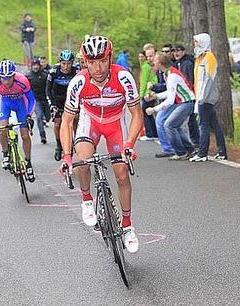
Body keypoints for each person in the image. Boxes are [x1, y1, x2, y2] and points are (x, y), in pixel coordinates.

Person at [59, 36, 142, 253]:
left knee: (122, 173)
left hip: (116, 123)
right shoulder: (78, 82)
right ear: (85, 61)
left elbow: (136, 114)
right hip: (91, 121)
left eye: (103, 61)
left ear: (110, 58)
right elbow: (67, 121)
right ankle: (87, 199)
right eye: (92, 62)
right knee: (82, 160)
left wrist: (129, 144)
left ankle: (127, 225)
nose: (98, 67)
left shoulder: (123, 77)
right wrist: (67, 157)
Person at [0, 59, 36, 182]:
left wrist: (29, 116)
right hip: (5, 104)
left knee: (25, 135)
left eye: (9, 77)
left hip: (20, 104)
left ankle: (28, 162)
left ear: (14, 75)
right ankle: (5, 154)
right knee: (3, 129)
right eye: (3, 78)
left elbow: (31, 100)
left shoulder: (22, 81)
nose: (6, 81)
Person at [146, 53, 195, 160]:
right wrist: (155, 96)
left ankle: (181, 152)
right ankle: (189, 149)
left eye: (155, 61)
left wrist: (154, 109)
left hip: (186, 102)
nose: (153, 63)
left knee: (169, 125)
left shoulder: (172, 76)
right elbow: (170, 92)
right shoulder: (168, 73)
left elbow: (170, 100)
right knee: (174, 125)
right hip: (182, 102)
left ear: (160, 63)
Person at [189, 33, 227, 162]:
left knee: (203, 125)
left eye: (196, 42)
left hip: (205, 97)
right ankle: (222, 151)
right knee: (214, 124)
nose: (194, 45)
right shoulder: (199, 58)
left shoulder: (209, 58)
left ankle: (202, 153)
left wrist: (202, 98)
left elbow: (209, 80)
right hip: (200, 96)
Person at [46, 50, 78, 160]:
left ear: (72, 63)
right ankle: (59, 145)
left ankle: (76, 141)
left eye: (69, 63)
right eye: (63, 63)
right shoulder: (53, 71)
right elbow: (48, 90)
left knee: (74, 120)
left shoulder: (76, 71)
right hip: (57, 99)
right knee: (57, 124)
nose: (66, 66)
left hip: (71, 99)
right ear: (60, 63)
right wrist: (52, 105)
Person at [173, 44, 199, 148]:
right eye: (174, 51)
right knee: (190, 120)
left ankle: (196, 141)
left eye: (178, 51)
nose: (176, 53)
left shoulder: (187, 63)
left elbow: (189, 79)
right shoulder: (178, 63)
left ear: (183, 51)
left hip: (191, 95)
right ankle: (194, 140)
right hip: (186, 95)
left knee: (192, 120)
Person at [27, 58, 50, 144]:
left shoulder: (45, 74)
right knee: (39, 116)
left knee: (48, 117)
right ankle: (42, 135)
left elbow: (50, 86)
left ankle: (46, 119)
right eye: (34, 65)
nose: (36, 67)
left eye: (37, 65)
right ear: (31, 66)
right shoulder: (28, 76)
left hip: (45, 98)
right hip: (35, 100)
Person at [139, 47, 158, 140]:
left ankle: (150, 134)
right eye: (147, 56)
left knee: (146, 112)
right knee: (149, 113)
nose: (149, 58)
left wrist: (142, 94)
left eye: (151, 56)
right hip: (150, 90)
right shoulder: (150, 66)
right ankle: (154, 133)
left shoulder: (147, 67)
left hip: (148, 92)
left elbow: (144, 81)